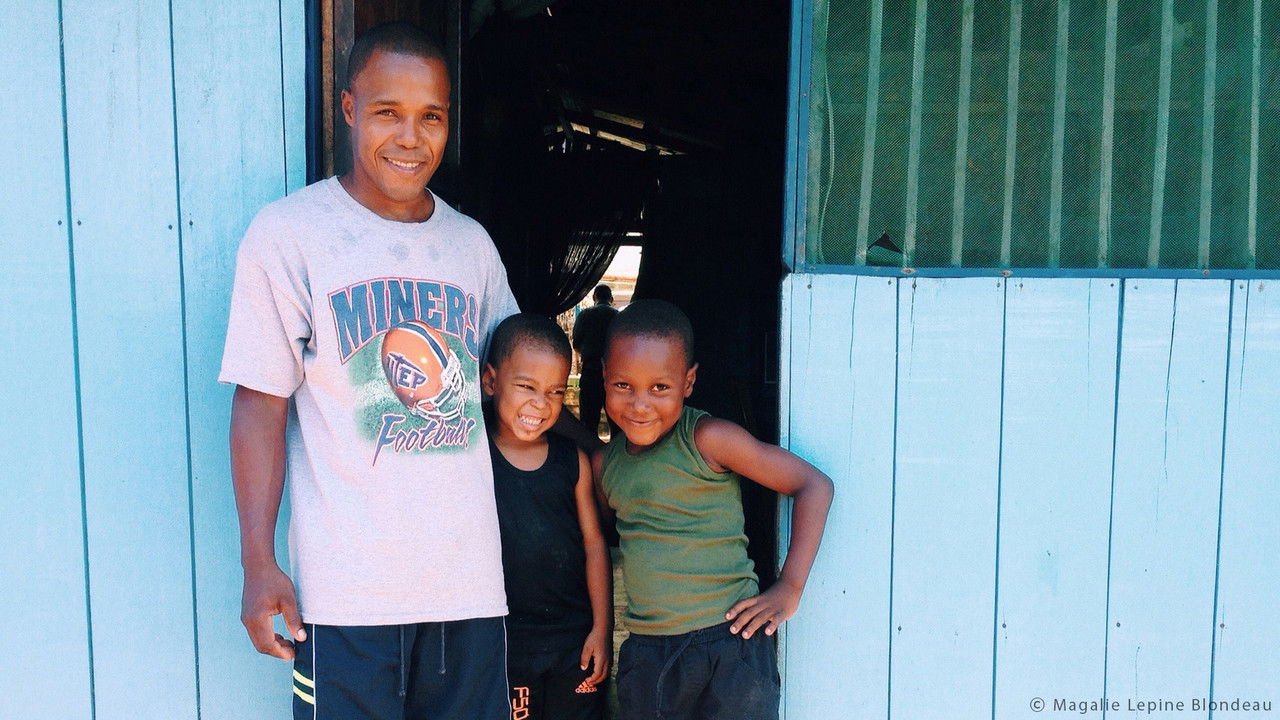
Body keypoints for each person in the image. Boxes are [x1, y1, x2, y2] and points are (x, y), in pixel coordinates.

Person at [219, 22, 519, 720]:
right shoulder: (290, 235)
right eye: (389, 112)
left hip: (468, 588)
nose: (411, 138)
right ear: (350, 108)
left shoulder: (470, 245)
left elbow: (512, 383)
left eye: (431, 117)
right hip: (347, 595)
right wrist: (257, 562)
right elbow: (260, 403)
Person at [593, 300, 833, 720]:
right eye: (623, 385)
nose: (640, 404)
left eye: (660, 387)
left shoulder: (707, 439)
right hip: (649, 653)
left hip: (730, 643)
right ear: (603, 378)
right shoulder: (605, 464)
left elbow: (813, 485)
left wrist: (790, 585)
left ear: (688, 382)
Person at [481, 313, 611, 720]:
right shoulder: (472, 457)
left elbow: (594, 546)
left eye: (555, 391)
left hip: (574, 640)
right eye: (527, 386)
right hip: (507, 642)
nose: (541, 403)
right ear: (490, 381)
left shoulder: (573, 461)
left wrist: (602, 628)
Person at [572, 284, 618, 437]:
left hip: (590, 371)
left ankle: (589, 451)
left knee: (588, 422)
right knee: (617, 423)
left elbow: (576, 343)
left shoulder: (585, 315)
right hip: (614, 375)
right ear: (611, 299)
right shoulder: (618, 316)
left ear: (594, 297)